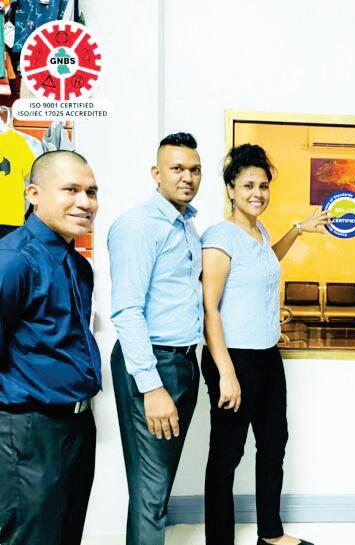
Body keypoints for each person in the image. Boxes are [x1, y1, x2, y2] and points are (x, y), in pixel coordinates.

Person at [201, 143, 328, 545]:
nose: (258, 193)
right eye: (248, 185)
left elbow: (263, 262)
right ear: (230, 189)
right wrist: (226, 373)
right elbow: (209, 308)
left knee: (274, 445)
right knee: (227, 456)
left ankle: (270, 534)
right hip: (233, 359)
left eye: (263, 185)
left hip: (267, 356)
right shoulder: (220, 236)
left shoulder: (259, 232)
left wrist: (298, 230)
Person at [0, 150, 101, 545]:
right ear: (34, 194)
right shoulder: (13, 260)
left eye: (91, 192)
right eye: (71, 190)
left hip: (76, 426)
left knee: (66, 534)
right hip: (28, 431)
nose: (85, 202)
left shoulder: (78, 266)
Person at [108, 132, 203, 545]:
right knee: (151, 491)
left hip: (183, 361)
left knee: (157, 488)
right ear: (156, 173)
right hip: (152, 364)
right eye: (177, 168)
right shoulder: (138, 226)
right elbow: (127, 311)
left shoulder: (186, 224)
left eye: (194, 169)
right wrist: (151, 386)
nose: (187, 177)